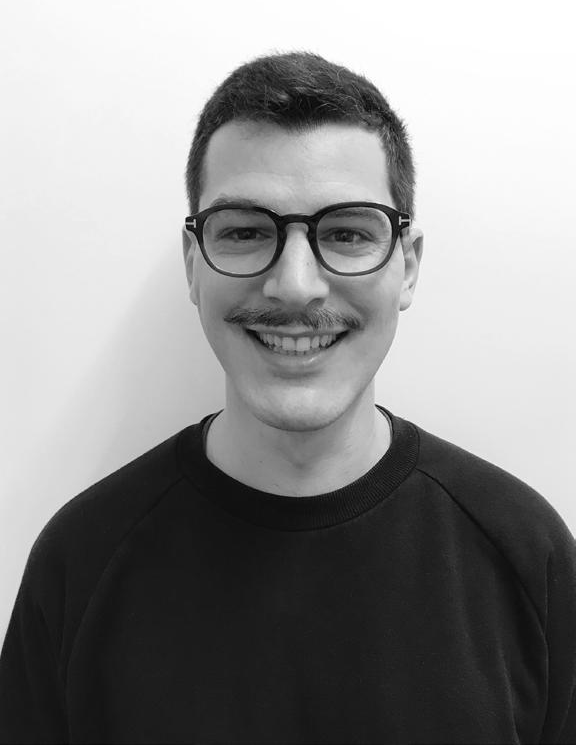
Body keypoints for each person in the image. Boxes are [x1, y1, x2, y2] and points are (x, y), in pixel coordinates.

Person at [0, 51, 575, 745]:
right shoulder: (79, 562)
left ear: (408, 265)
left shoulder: (526, 554)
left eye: (347, 233)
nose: (296, 285)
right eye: (245, 231)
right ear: (193, 264)